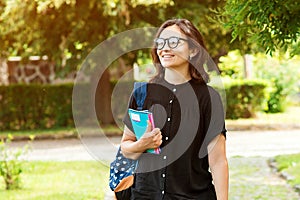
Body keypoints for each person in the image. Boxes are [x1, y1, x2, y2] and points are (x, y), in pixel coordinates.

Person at [120, 18, 228, 200]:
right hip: (144, 195)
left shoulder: (208, 98)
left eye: (173, 42)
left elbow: (218, 161)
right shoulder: (143, 94)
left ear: (193, 50)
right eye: (160, 43)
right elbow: (126, 147)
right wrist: (142, 145)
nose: (164, 48)